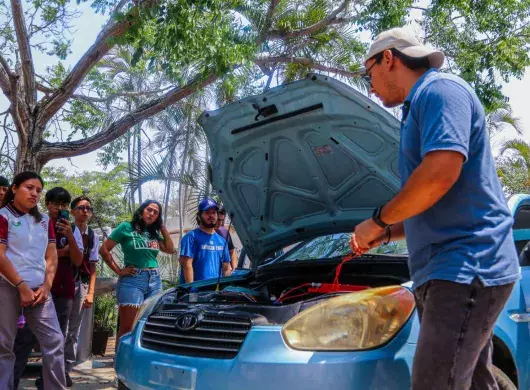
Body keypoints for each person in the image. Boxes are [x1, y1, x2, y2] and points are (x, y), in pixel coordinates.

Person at [350, 27, 519, 389]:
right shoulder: (418, 107)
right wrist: (386, 233)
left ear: (389, 58)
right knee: (473, 382)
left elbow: (439, 175)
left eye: (369, 74)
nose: (371, 86)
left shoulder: (441, 90)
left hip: (468, 264)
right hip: (450, 268)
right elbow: (433, 203)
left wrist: (378, 219)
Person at [0, 171, 66, 390]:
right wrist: (21, 286)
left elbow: (51, 255)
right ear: (14, 188)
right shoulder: (3, 216)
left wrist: (47, 286)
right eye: (29, 187)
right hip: (7, 287)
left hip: (40, 291)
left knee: (55, 342)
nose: (35, 193)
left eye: (38, 190)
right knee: (4, 346)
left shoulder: (44, 220)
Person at [13, 187, 84, 389]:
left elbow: (78, 260)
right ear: (48, 204)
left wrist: (70, 236)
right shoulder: (37, 222)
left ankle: (47, 384)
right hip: (35, 288)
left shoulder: (72, 228)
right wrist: (62, 252)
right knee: (24, 338)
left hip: (63, 290)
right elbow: (34, 255)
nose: (59, 208)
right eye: (55, 204)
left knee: (56, 340)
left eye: (63, 205)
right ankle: (11, 382)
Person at [99, 200, 174, 347]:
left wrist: (162, 227)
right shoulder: (126, 227)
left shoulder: (154, 233)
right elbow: (104, 250)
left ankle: (138, 361)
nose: (151, 213)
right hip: (133, 280)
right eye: (149, 209)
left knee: (148, 325)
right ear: (141, 211)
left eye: (156, 212)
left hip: (154, 280)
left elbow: (170, 249)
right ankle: (120, 362)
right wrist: (119, 271)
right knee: (128, 327)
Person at [63, 196, 100, 379]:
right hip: (62, 283)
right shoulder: (64, 229)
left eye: (88, 208)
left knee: (73, 331)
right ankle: (51, 368)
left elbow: (93, 267)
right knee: (59, 328)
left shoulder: (93, 236)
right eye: (81, 207)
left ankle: (65, 370)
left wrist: (91, 292)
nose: (85, 211)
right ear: (72, 211)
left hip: (81, 283)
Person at [179, 198, 231, 283]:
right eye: (207, 212)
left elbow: (226, 268)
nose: (211, 216)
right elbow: (187, 265)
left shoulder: (222, 241)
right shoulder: (191, 237)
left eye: (214, 212)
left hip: (215, 292)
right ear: (199, 216)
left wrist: (224, 288)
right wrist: (191, 290)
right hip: (195, 292)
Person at [216, 207, 238, 272]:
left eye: (222, 220)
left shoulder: (224, 232)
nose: (220, 223)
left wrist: (234, 270)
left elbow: (231, 252)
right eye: (218, 220)